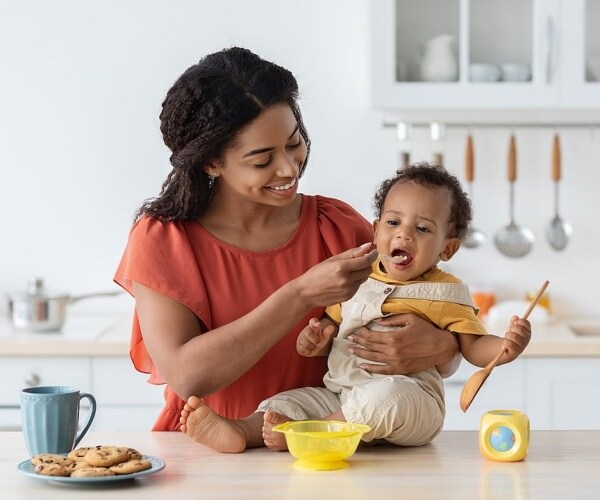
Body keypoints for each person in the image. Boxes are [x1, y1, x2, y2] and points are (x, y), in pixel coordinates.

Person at [114, 47, 461, 434]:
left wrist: (443, 347)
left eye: (294, 143)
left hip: (324, 454)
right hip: (206, 458)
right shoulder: (165, 239)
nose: (289, 168)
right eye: (262, 160)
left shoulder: (337, 226)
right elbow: (187, 376)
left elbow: (429, 329)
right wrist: (301, 294)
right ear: (211, 163)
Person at [179, 163, 532, 453]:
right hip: (339, 394)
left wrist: (505, 346)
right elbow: (329, 327)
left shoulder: (445, 292)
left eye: (422, 229)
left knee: (388, 397)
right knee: (288, 402)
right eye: (393, 223)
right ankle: (243, 432)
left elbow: (471, 347)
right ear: (376, 231)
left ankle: (315, 435)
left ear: (448, 248)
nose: (404, 235)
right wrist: (313, 339)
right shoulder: (357, 276)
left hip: (411, 401)